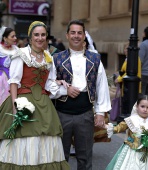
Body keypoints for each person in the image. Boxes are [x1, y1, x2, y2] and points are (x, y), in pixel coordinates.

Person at [0, 21, 70, 170]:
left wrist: (59, 83)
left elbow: (48, 82)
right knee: (26, 141)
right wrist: (15, 106)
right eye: (36, 35)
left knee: (46, 141)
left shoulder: (47, 57)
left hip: (44, 104)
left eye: (43, 35)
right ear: (30, 37)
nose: (40, 38)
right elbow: (14, 82)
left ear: (46, 37)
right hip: (24, 101)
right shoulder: (21, 54)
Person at [53, 19, 111, 170]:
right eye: (73, 32)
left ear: (84, 35)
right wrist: (65, 90)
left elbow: (101, 85)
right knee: (60, 155)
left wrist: (99, 112)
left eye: (80, 33)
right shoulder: (56, 58)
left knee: (85, 155)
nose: (76, 36)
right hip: (61, 113)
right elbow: (49, 85)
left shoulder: (95, 58)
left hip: (85, 114)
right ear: (67, 35)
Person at [105, 95, 148, 170]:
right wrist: (106, 127)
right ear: (137, 107)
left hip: (147, 154)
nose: (145, 110)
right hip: (131, 151)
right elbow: (119, 128)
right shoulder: (131, 120)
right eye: (142, 106)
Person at [0, 26, 18, 107]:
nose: (15, 38)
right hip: (2, 81)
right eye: (12, 36)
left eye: (15, 36)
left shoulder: (17, 50)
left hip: (15, 81)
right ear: (5, 38)